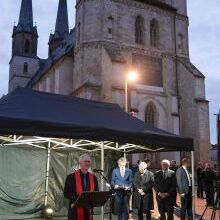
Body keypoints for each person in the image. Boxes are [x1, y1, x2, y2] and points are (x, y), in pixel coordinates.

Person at [64, 154, 99, 220]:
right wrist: (81, 198)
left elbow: (96, 192)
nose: (87, 163)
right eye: (85, 161)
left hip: (88, 210)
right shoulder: (71, 177)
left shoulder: (94, 178)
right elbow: (66, 193)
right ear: (80, 162)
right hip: (75, 210)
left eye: (89, 161)